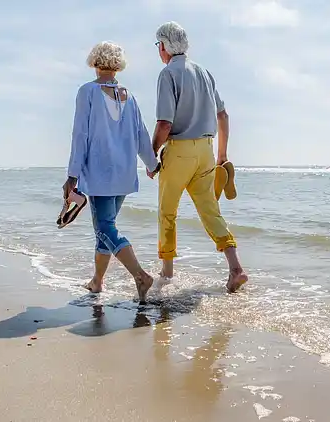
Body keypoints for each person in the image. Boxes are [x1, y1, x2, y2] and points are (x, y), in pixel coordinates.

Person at [148, 21, 248, 293]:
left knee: (167, 213)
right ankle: (235, 268)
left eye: (158, 45)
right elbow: (223, 115)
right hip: (206, 150)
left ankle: (167, 275)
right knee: (209, 210)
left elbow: (165, 123)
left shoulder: (168, 74)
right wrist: (221, 156)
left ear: (165, 46)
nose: (159, 50)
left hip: (179, 151)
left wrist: (151, 155)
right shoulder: (204, 72)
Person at [64, 41, 159, 303]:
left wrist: (72, 175)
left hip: (101, 172)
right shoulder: (130, 96)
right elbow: (142, 135)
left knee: (105, 228)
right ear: (118, 65)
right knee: (106, 227)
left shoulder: (88, 92)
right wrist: (152, 165)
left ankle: (140, 275)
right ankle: (97, 281)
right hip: (125, 173)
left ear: (95, 62)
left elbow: (80, 135)